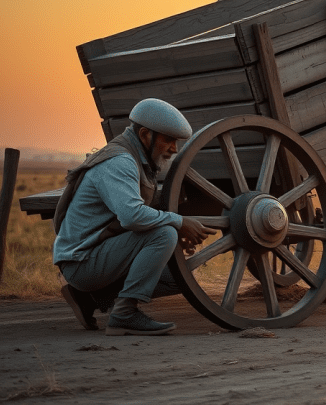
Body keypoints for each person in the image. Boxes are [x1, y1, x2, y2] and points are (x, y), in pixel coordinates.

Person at [52, 98, 217, 335]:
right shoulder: (120, 161)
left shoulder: (137, 158)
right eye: (168, 140)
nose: (174, 148)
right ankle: (124, 314)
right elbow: (132, 217)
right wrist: (179, 222)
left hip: (96, 254)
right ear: (145, 135)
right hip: (82, 261)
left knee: (178, 275)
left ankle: (90, 298)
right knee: (165, 232)